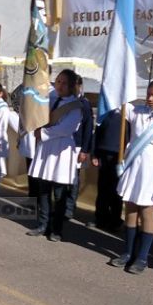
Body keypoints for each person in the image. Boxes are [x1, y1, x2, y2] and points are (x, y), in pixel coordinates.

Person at [109, 79, 153, 274]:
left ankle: (142, 257)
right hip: (134, 167)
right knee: (130, 209)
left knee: (147, 212)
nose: (150, 98)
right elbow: (118, 104)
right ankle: (128, 252)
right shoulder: (138, 112)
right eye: (148, 94)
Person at [27, 70, 82, 241]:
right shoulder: (49, 99)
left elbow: (66, 128)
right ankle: (42, 224)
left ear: (72, 86)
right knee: (43, 190)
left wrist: (42, 133)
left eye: (64, 83)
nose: (60, 85)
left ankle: (56, 229)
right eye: (58, 81)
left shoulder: (75, 106)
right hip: (46, 149)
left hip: (61, 151)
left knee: (59, 194)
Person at [89, 107, 126, 231]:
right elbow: (97, 134)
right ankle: (100, 218)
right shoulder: (105, 113)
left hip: (120, 157)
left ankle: (115, 220)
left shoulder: (128, 115)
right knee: (103, 189)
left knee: (116, 191)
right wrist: (94, 154)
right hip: (104, 156)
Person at [67, 75, 94, 220]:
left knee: (74, 178)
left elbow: (88, 127)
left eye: (74, 86)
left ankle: (70, 207)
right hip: (63, 145)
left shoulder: (84, 103)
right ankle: (61, 204)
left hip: (77, 146)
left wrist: (85, 150)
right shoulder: (65, 102)